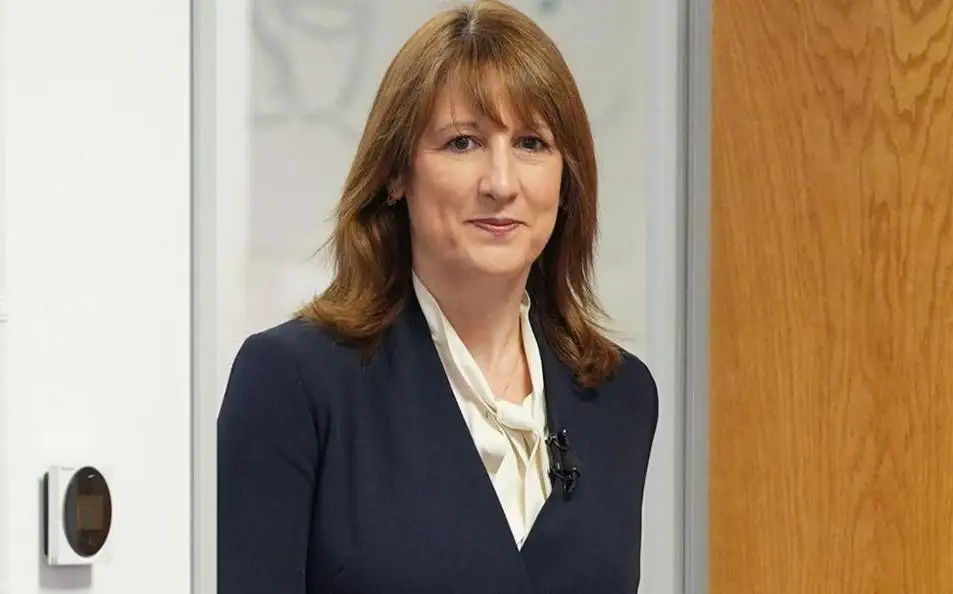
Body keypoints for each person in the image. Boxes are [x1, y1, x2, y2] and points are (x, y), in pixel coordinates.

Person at [217, 1, 658, 592]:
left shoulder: (619, 398)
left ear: (565, 179)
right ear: (396, 175)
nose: (501, 183)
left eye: (531, 143)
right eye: (462, 143)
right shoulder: (294, 383)